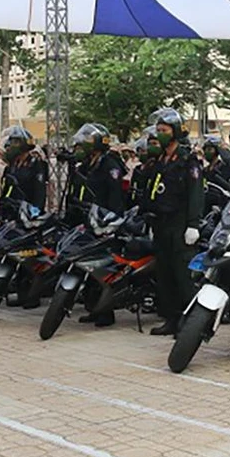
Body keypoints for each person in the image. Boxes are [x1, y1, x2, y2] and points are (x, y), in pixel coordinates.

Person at [145, 108, 204, 336]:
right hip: (161, 223)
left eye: (164, 130)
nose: (160, 134)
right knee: (165, 274)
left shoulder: (188, 160)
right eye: (158, 130)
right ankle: (171, 318)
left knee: (183, 276)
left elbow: (196, 193)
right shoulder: (160, 159)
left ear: (176, 132)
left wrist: (193, 224)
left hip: (180, 223)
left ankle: (189, 324)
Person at [69, 123, 128, 326]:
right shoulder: (88, 164)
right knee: (88, 266)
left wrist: (110, 222)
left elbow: (115, 196)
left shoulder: (110, 164)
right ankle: (93, 308)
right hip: (89, 219)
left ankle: (106, 313)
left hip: (105, 221)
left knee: (103, 268)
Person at [0, 126, 46, 218]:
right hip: (12, 212)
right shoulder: (11, 166)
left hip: (27, 213)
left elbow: (40, 193)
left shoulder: (35, 165)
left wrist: (34, 213)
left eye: (14, 142)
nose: (10, 145)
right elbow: (5, 191)